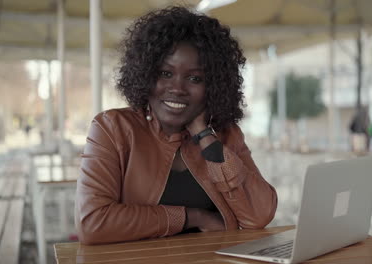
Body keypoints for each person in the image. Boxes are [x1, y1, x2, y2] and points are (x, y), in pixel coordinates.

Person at [75, 6, 278, 245]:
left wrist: (204, 136)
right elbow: (93, 223)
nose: (178, 89)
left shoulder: (225, 133)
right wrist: (193, 217)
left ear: (213, 85)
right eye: (165, 73)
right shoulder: (112, 128)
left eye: (194, 78)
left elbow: (259, 215)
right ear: (145, 74)